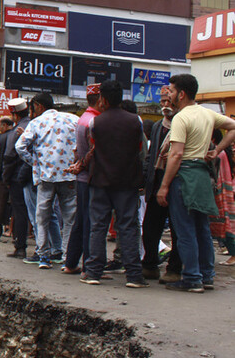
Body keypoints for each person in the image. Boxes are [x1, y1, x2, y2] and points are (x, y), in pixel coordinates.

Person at [157, 73, 235, 292]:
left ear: (181, 94)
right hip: (201, 175)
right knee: (202, 229)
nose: (169, 95)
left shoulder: (181, 118)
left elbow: (176, 154)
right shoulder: (207, 113)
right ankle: (206, 275)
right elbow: (233, 127)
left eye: (172, 91)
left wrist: (164, 186)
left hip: (184, 176)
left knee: (185, 230)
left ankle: (192, 277)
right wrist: (216, 150)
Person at [78, 80, 147, 288]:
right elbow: (141, 152)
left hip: (100, 180)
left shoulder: (95, 123)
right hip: (127, 181)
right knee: (128, 226)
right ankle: (134, 275)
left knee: (98, 226)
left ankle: (93, 272)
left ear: (103, 99)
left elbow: (93, 149)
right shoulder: (136, 120)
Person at [16, 92, 78, 270]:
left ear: (38, 106)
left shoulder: (37, 123)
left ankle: (44, 256)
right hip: (68, 175)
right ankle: (67, 258)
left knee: (42, 217)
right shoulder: (73, 119)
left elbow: (20, 146)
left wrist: (35, 162)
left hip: (45, 176)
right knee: (69, 218)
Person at [141, 87, 183, 282]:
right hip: (156, 183)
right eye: (163, 102)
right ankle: (150, 264)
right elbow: (151, 157)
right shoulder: (158, 126)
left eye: (168, 101)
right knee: (150, 228)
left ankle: (174, 269)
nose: (165, 106)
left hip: (178, 184)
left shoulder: (184, 123)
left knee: (178, 230)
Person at [63, 84, 101, 275]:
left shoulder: (84, 118)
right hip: (90, 177)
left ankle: (71, 262)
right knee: (89, 222)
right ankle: (89, 265)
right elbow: (94, 152)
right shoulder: (94, 121)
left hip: (83, 177)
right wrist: (81, 165)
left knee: (81, 221)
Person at [2, 98, 32, 259]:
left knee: (20, 211)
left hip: (18, 176)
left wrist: (6, 178)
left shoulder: (17, 131)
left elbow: (9, 157)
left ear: (15, 115)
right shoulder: (34, 125)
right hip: (37, 174)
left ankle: (20, 246)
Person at [209, 131, 235, 266]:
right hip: (223, 190)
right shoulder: (221, 152)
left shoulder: (218, 153)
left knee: (227, 224)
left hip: (221, 191)